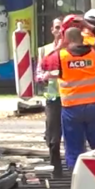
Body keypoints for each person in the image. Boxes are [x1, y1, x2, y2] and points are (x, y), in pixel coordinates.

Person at [57, 26, 95, 170]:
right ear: (81, 37)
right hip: (93, 107)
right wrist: (87, 24)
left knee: (74, 148)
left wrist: (58, 46)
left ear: (67, 39)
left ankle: (77, 176)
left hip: (71, 109)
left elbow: (44, 64)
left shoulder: (61, 56)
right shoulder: (94, 53)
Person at [35, 17, 64, 175]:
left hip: (71, 98)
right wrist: (47, 76)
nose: (60, 31)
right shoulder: (45, 50)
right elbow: (38, 75)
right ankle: (56, 169)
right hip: (53, 98)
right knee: (53, 138)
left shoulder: (72, 49)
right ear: (52, 30)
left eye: (63, 28)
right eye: (57, 27)